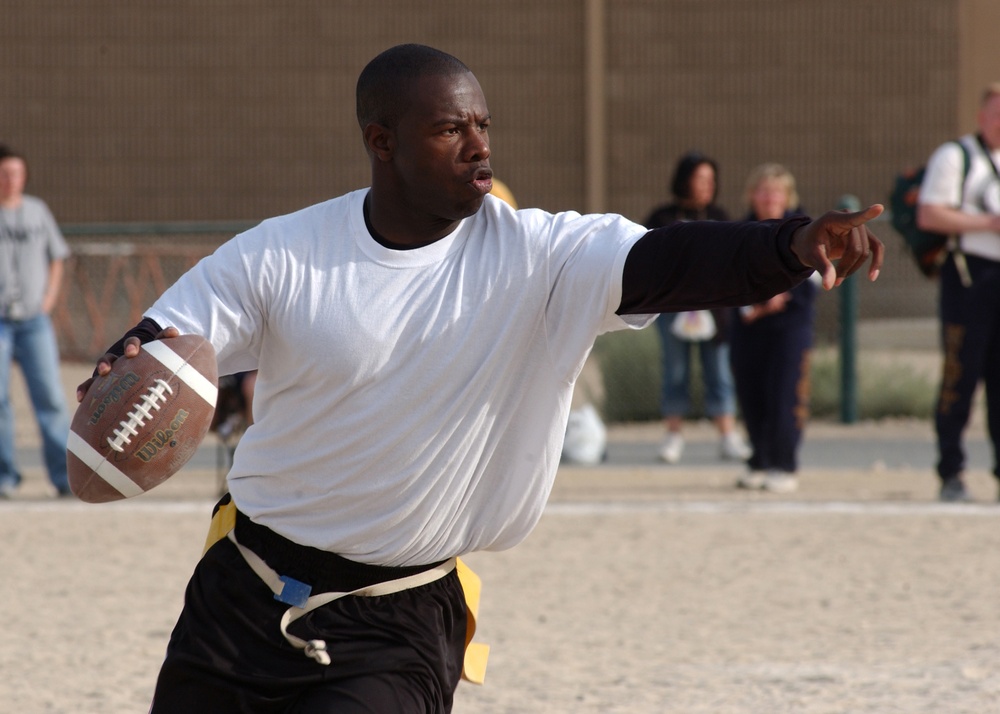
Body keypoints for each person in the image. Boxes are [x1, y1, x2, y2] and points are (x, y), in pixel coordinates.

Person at [76, 44, 884, 713]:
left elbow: (670, 261)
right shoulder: (285, 253)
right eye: (450, 128)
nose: (479, 147)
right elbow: (169, 338)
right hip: (238, 592)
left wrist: (790, 244)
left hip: (394, 625)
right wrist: (128, 365)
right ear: (382, 140)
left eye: (484, 125)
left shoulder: (540, 257)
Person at [917, 82, 1000, 503]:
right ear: (982, 116)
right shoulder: (957, 156)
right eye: (996, 113)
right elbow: (930, 212)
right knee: (960, 376)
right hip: (969, 277)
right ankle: (951, 470)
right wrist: (987, 223)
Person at [644, 151, 750, 464]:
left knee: (719, 370)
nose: (707, 185)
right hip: (673, 308)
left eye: (711, 180)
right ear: (684, 180)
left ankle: (728, 436)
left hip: (715, 310)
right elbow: (646, 257)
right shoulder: (662, 218)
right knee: (674, 371)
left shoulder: (719, 215)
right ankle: (673, 436)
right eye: (700, 178)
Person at [730, 164, 818, 494]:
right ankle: (760, 460)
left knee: (784, 395)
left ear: (788, 197)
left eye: (776, 192)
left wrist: (779, 298)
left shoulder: (804, 230)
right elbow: (726, 275)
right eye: (763, 191)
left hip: (788, 328)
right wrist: (751, 306)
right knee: (751, 395)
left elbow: (815, 280)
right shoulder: (741, 231)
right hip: (749, 327)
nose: (769, 198)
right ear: (752, 196)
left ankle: (784, 464)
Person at [0, 143, 72, 498]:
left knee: (51, 398)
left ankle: (64, 477)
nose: (10, 180)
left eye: (15, 173)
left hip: (33, 320)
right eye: (4, 173)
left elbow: (57, 256)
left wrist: (48, 299)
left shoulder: (37, 211)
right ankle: (4, 478)